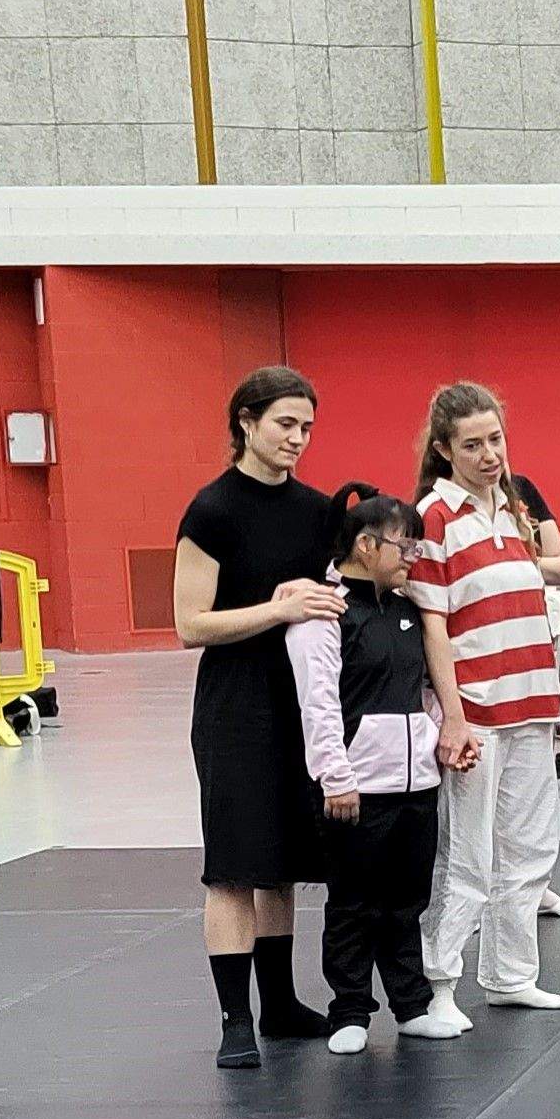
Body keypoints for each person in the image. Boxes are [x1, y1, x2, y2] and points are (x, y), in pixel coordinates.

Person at [176, 365, 349, 1070]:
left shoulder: (316, 511)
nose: (297, 438)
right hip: (235, 703)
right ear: (245, 422)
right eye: (284, 423)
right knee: (234, 868)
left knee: (283, 864)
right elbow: (190, 623)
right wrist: (277, 609)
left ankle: (279, 1005)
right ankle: (234, 1019)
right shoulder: (212, 509)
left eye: (306, 426)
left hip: (300, 699)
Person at [412, 382, 560, 1021]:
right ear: (445, 449)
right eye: (473, 444)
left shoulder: (514, 511)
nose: (488, 454)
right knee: (467, 856)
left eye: (496, 440)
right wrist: (452, 716)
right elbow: (433, 624)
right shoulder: (433, 515)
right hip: (477, 711)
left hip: (532, 700)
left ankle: (510, 975)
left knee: (531, 849)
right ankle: (439, 987)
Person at [285, 484, 458, 1055]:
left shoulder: (408, 612)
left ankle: (411, 1006)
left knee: (407, 901)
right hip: (355, 789)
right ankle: (350, 1010)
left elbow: (424, 688)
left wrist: (439, 737)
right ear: (364, 545)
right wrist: (336, 776)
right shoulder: (326, 615)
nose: (412, 559)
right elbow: (319, 703)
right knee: (354, 905)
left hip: (415, 786)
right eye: (404, 548)